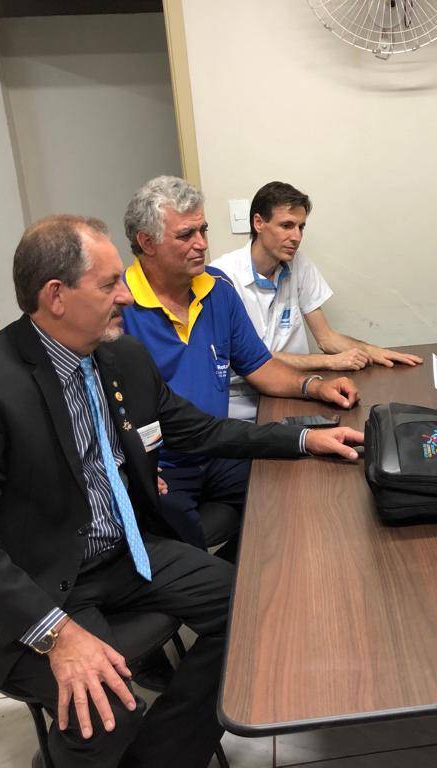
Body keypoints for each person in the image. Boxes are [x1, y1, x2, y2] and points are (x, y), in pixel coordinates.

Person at [0, 215, 363, 768]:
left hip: (125, 554)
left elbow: (198, 430)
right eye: (109, 285)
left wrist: (302, 438)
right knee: (106, 712)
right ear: (56, 296)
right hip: (36, 581)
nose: (126, 296)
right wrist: (56, 633)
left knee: (256, 615)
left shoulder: (121, 357)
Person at [121, 176, 360, 550]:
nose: (202, 244)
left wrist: (314, 386)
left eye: (203, 230)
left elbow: (260, 366)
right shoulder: (118, 309)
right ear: (147, 243)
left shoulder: (218, 288)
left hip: (216, 448)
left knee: (298, 486)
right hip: (163, 466)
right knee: (187, 552)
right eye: (186, 235)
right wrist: (132, 467)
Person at [210, 180, 422, 420]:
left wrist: (373, 351)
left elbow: (326, 338)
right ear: (258, 223)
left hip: (297, 388)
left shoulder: (298, 264)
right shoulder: (223, 276)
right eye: (286, 225)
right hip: (244, 401)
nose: (296, 237)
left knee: (362, 421)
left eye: (301, 227)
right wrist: (330, 362)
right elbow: (256, 360)